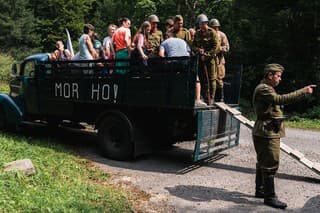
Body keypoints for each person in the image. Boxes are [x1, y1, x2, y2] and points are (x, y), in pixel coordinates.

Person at [252, 63, 315, 209]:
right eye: (278, 76)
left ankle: (260, 190)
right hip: (267, 131)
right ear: (270, 75)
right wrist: (303, 91)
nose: (280, 79)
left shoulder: (266, 88)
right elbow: (280, 99)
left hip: (267, 129)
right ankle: (270, 197)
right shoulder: (264, 89)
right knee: (270, 163)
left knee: (264, 161)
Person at [159, 32, 207, 107]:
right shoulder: (183, 41)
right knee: (195, 78)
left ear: (166, 37)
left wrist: (166, 62)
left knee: (172, 77)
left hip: (174, 62)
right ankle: (197, 100)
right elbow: (188, 52)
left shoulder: (164, 43)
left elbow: (161, 55)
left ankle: (174, 98)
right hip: (186, 61)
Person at [192, 14, 220, 105]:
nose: (202, 25)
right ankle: (204, 96)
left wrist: (207, 55)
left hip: (210, 59)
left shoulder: (212, 32)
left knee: (212, 79)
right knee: (202, 79)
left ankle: (211, 98)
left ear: (206, 23)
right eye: (200, 24)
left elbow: (216, 47)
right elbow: (193, 45)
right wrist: (198, 50)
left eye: (203, 23)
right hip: (200, 60)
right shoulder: (197, 33)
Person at [209, 18, 230, 101]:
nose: (215, 29)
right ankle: (210, 98)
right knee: (210, 79)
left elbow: (227, 47)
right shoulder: (207, 35)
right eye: (213, 27)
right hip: (209, 59)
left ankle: (220, 98)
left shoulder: (221, 35)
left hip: (219, 60)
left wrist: (218, 49)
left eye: (216, 27)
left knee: (219, 79)